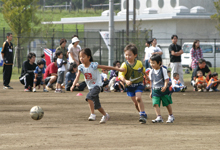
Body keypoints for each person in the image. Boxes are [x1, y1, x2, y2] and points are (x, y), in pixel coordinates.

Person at [70, 48, 124, 124]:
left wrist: (117, 69)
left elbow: (106, 67)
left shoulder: (93, 65)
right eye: (80, 57)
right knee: (97, 106)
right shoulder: (80, 67)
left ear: (89, 57)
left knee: (89, 97)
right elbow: (77, 77)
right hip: (90, 87)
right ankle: (105, 115)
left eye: (83, 56)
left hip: (97, 86)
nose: (81, 58)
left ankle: (92, 114)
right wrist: (73, 85)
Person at [119, 44, 148, 124]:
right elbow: (121, 76)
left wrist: (147, 77)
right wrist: (125, 81)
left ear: (135, 55)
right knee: (135, 103)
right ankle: (142, 114)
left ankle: (142, 115)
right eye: (126, 55)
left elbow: (143, 71)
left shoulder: (139, 63)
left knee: (138, 98)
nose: (127, 57)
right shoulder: (124, 65)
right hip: (130, 86)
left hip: (138, 84)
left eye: (130, 55)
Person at [149, 54, 174, 123]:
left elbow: (166, 79)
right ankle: (159, 117)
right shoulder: (151, 71)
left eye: (153, 63)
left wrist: (165, 86)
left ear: (159, 62)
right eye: (151, 63)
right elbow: (152, 82)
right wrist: (151, 91)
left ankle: (171, 116)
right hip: (155, 90)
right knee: (155, 104)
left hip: (163, 90)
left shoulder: (163, 70)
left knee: (167, 103)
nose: (152, 64)